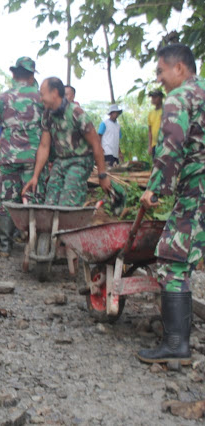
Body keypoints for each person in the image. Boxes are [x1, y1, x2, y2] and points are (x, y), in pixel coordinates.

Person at [137, 44, 205, 366]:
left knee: (172, 256)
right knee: (189, 256)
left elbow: (171, 146)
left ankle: (176, 345)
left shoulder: (180, 98)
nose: (159, 79)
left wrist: (155, 190)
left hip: (197, 189)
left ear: (179, 68)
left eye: (161, 71)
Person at [0, 57, 45, 257]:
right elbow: (51, 130)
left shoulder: (2, 98)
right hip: (35, 159)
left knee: (6, 201)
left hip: (8, 158)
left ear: (14, 74)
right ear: (32, 75)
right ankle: (32, 242)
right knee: (35, 198)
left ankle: (6, 247)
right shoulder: (42, 98)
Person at [23, 77, 111, 206]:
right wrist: (35, 176)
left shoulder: (77, 114)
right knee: (50, 203)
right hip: (61, 161)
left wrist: (102, 176)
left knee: (67, 203)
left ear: (54, 93)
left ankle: (69, 223)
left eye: (42, 95)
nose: (40, 99)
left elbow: (96, 144)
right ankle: (53, 225)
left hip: (80, 160)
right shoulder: (47, 115)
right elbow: (44, 146)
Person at [147, 89, 164, 157]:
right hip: (154, 145)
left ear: (161, 98)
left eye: (155, 97)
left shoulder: (166, 110)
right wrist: (150, 146)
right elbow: (150, 131)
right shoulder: (151, 113)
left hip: (164, 143)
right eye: (152, 97)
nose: (153, 99)